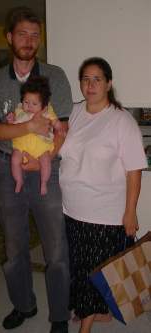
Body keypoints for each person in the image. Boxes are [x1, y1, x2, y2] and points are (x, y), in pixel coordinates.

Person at [0, 6, 72, 333]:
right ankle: (24, 304)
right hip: (8, 171)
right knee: (14, 248)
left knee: (56, 248)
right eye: (22, 34)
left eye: (35, 35)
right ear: (9, 37)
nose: (29, 41)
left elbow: (62, 129)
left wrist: (43, 154)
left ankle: (59, 315)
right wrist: (30, 126)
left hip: (47, 166)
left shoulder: (55, 76)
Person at [59, 57, 147, 333]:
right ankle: (99, 312)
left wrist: (130, 211)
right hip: (71, 208)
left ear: (109, 83)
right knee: (81, 268)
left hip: (104, 213)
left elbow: (134, 170)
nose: (90, 84)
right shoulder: (72, 113)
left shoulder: (121, 122)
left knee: (92, 272)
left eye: (97, 79)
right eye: (85, 79)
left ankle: (84, 328)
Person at [7, 76, 64, 195]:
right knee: (14, 159)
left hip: (40, 146)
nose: (29, 106)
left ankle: (43, 182)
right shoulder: (19, 111)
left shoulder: (47, 112)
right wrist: (11, 119)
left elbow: (55, 121)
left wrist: (59, 127)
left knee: (46, 161)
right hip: (22, 146)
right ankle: (19, 180)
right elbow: (13, 124)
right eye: (26, 102)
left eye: (34, 103)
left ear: (43, 105)